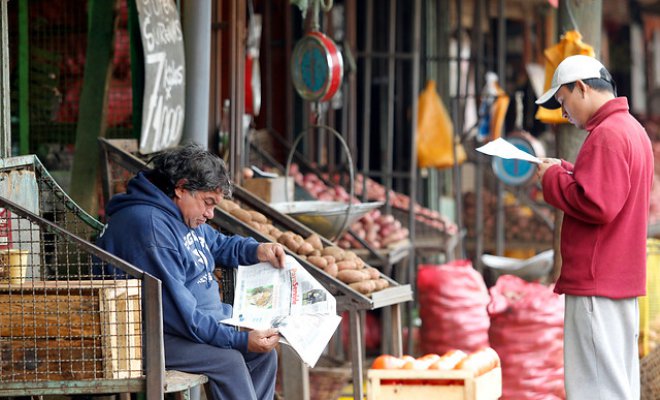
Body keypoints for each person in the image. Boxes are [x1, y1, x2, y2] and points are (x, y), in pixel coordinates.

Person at [97, 144, 287, 400]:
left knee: (264, 356)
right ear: (181, 188)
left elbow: (217, 243)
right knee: (229, 361)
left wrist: (257, 250)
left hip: (190, 327)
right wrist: (238, 340)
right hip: (152, 336)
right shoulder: (151, 228)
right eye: (208, 203)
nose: (210, 214)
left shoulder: (179, 213)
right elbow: (181, 316)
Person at [535, 54, 654, 399]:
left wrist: (554, 178)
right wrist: (571, 170)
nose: (563, 112)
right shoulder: (631, 130)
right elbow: (610, 192)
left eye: (563, 100)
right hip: (617, 281)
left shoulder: (607, 135)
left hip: (597, 282)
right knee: (617, 383)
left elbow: (597, 204)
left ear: (582, 88)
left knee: (595, 388)